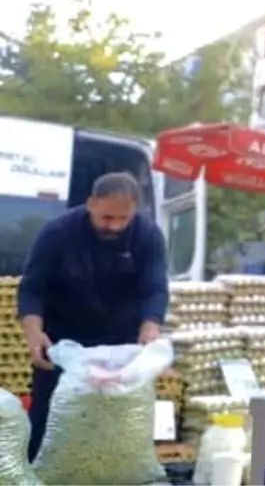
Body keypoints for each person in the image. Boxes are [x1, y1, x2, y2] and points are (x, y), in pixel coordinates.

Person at [16, 172, 167, 459]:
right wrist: (33, 332)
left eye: (124, 219)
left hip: (118, 348)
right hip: (62, 345)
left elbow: (155, 290)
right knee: (48, 422)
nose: (115, 226)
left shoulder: (148, 235)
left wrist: (150, 328)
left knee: (115, 427)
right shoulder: (57, 233)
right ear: (90, 204)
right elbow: (32, 290)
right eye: (107, 218)